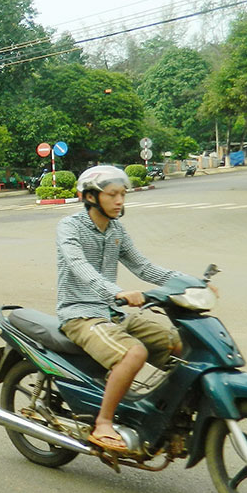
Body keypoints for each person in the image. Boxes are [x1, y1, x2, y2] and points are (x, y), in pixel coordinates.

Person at [56, 165, 198, 452]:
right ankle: (104, 423)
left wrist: (192, 284)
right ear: (91, 197)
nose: (120, 201)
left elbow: (143, 266)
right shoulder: (70, 227)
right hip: (80, 314)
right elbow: (79, 267)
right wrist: (117, 291)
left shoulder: (116, 229)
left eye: (122, 194)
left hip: (112, 313)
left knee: (182, 346)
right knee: (134, 353)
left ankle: (172, 417)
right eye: (112, 195)